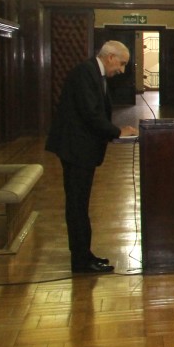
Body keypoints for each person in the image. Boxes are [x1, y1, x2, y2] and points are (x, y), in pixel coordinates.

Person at [46, 40, 138, 274]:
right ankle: (80, 261)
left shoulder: (94, 74)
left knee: (80, 205)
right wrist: (117, 132)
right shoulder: (84, 73)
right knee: (77, 206)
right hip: (76, 150)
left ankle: (84, 255)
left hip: (81, 150)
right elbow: (90, 114)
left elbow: (95, 112)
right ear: (110, 57)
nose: (122, 69)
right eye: (122, 63)